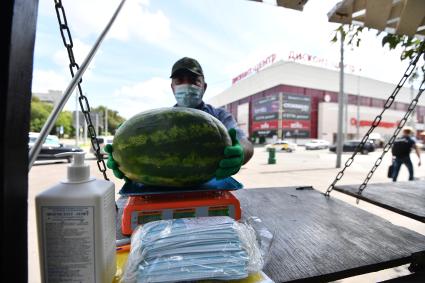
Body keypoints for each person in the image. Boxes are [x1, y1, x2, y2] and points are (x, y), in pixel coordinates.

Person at [105, 57, 253, 181]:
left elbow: (245, 144)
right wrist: (125, 164)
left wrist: (240, 152)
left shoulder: (220, 116)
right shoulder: (161, 121)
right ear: (172, 87)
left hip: (215, 188)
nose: (186, 84)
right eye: (179, 80)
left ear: (204, 86)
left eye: (194, 80)